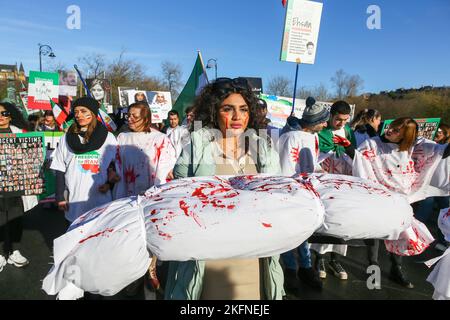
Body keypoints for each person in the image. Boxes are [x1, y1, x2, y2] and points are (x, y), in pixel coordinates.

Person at [165, 77, 283, 300]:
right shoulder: (197, 145)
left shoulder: (263, 147)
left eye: (244, 109)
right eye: (228, 109)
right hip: (209, 261)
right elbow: (179, 198)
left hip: (253, 258)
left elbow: (276, 197)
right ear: (214, 111)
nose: (238, 117)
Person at [351, 117, 450, 288]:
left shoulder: (413, 147)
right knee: (375, 234)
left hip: (402, 200)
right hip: (378, 198)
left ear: (406, 136)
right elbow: (358, 159)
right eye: (391, 127)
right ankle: (373, 269)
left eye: (397, 131)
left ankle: (396, 268)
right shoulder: (372, 144)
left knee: (400, 233)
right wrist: (347, 148)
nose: (389, 131)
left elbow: (440, 151)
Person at [278, 96, 329, 290]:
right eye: (323, 120)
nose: (326, 124)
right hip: (289, 192)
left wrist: (321, 172)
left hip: (307, 191)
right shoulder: (290, 137)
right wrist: (289, 190)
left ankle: (306, 268)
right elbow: (285, 168)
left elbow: (311, 163)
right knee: (290, 231)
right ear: (314, 122)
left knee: (304, 232)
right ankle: (290, 269)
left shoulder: (313, 137)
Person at [50, 97, 119, 225]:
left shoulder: (108, 138)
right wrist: (59, 197)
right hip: (74, 202)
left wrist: (109, 184)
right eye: (76, 112)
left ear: (92, 113)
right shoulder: (66, 138)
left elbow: (115, 166)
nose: (79, 115)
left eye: (83, 111)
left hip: (100, 201)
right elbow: (59, 168)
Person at [313, 100, 357, 280]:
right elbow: (314, 154)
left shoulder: (348, 131)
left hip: (344, 180)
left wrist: (348, 147)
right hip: (324, 179)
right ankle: (319, 258)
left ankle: (335, 258)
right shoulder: (320, 131)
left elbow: (355, 153)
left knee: (342, 219)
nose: (341, 124)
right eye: (338, 119)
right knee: (324, 219)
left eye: (345, 120)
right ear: (331, 116)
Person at [0, 102, 38, 271]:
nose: (1, 116)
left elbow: (33, 156)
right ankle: (1, 254)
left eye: (5, 113)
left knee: (15, 219)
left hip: (16, 185)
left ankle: (14, 251)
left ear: (11, 115)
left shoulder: (21, 133)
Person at [114, 102, 176, 198]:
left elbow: (164, 171)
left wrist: (156, 193)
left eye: (134, 116)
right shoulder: (122, 138)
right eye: (128, 116)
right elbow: (116, 164)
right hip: (126, 196)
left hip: (151, 195)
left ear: (145, 118)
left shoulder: (160, 139)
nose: (130, 119)